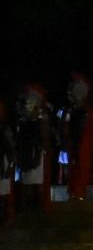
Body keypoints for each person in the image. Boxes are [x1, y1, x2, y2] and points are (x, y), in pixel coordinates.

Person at [54, 72, 93, 201]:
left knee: (81, 166)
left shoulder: (87, 112)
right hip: (72, 143)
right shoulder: (69, 110)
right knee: (71, 166)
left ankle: (79, 192)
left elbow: (84, 129)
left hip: (81, 144)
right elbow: (64, 124)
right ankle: (72, 191)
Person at [12, 84, 52, 212]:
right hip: (26, 152)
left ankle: (37, 208)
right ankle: (26, 208)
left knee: (37, 182)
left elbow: (44, 135)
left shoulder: (41, 117)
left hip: (37, 152)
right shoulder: (23, 119)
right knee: (27, 182)